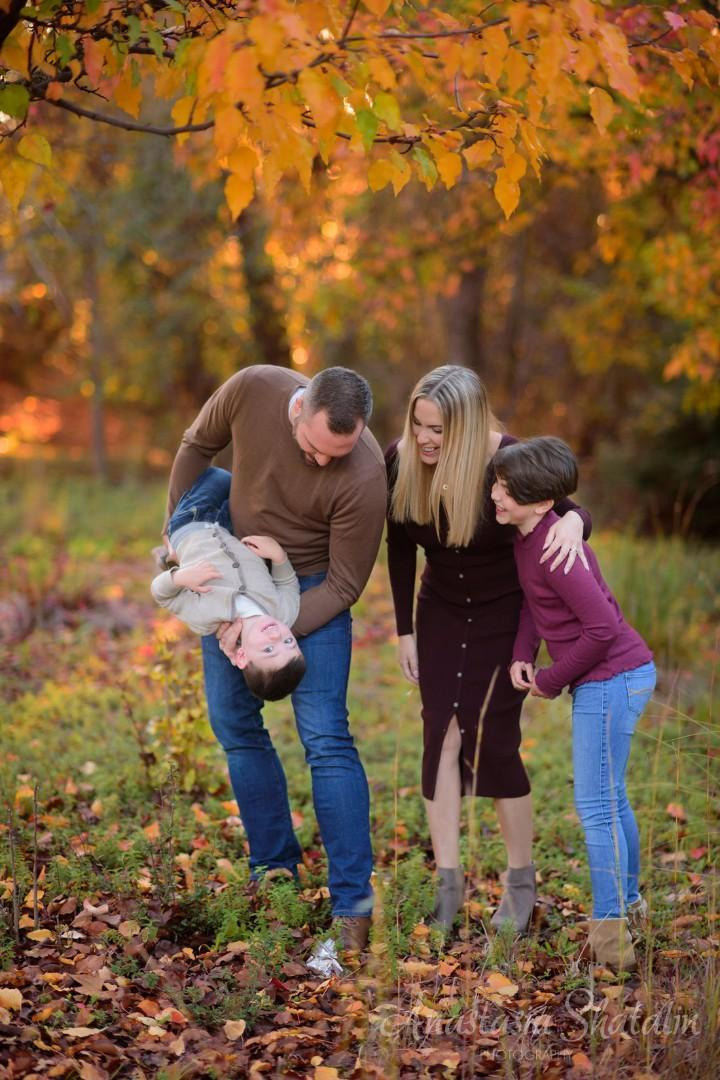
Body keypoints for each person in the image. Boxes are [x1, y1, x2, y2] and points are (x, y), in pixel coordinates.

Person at [163, 365, 387, 952]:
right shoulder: (254, 388)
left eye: (335, 453)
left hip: (309, 592)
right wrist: (178, 535)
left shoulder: (363, 474)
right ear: (296, 410)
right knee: (234, 723)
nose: (322, 463)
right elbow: (196, 446)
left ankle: (353, 907)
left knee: (326, 738)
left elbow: (343, 586)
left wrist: (266, 626)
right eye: (315, 449)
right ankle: (275, 872)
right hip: (236, 575)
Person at [385, 365, 591, 937]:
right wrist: (405, 630)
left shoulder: (508, 459)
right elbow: (399, 547)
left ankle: (520, 883)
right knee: (441, 736)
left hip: (506, 614)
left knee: (495, 739)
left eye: (440, 430)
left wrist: (578, 523)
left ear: (471, 429)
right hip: (441, 611)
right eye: (420, 424)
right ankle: (448, 884)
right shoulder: (401, 461)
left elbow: (566, 507)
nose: (426, 438)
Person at [492, 436, 656, 971]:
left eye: (506, 489)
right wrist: (522, 653)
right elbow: (537, 608)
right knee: (612, 798)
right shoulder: (527, 535)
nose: (494, 494)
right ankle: (631, 910)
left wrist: (550, 679)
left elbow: (602, 627)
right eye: (496, 482)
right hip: (616, 676)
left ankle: (611, 941)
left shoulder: (554, 549)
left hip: (613, 678)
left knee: (596, 807)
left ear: (542, 503)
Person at [151, 465, 306, 701]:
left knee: (220, 477)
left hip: (191, 524)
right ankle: (169, 556)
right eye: (288, 642)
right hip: (233, 527)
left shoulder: (206, 620)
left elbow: (161, 594)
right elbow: (288, 585)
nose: (277, 637)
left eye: (268, 650)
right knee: (251, 483)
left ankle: (170, 556)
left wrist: (181, 577)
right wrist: (279, 557)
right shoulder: (283, 613)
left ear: (242, 656)